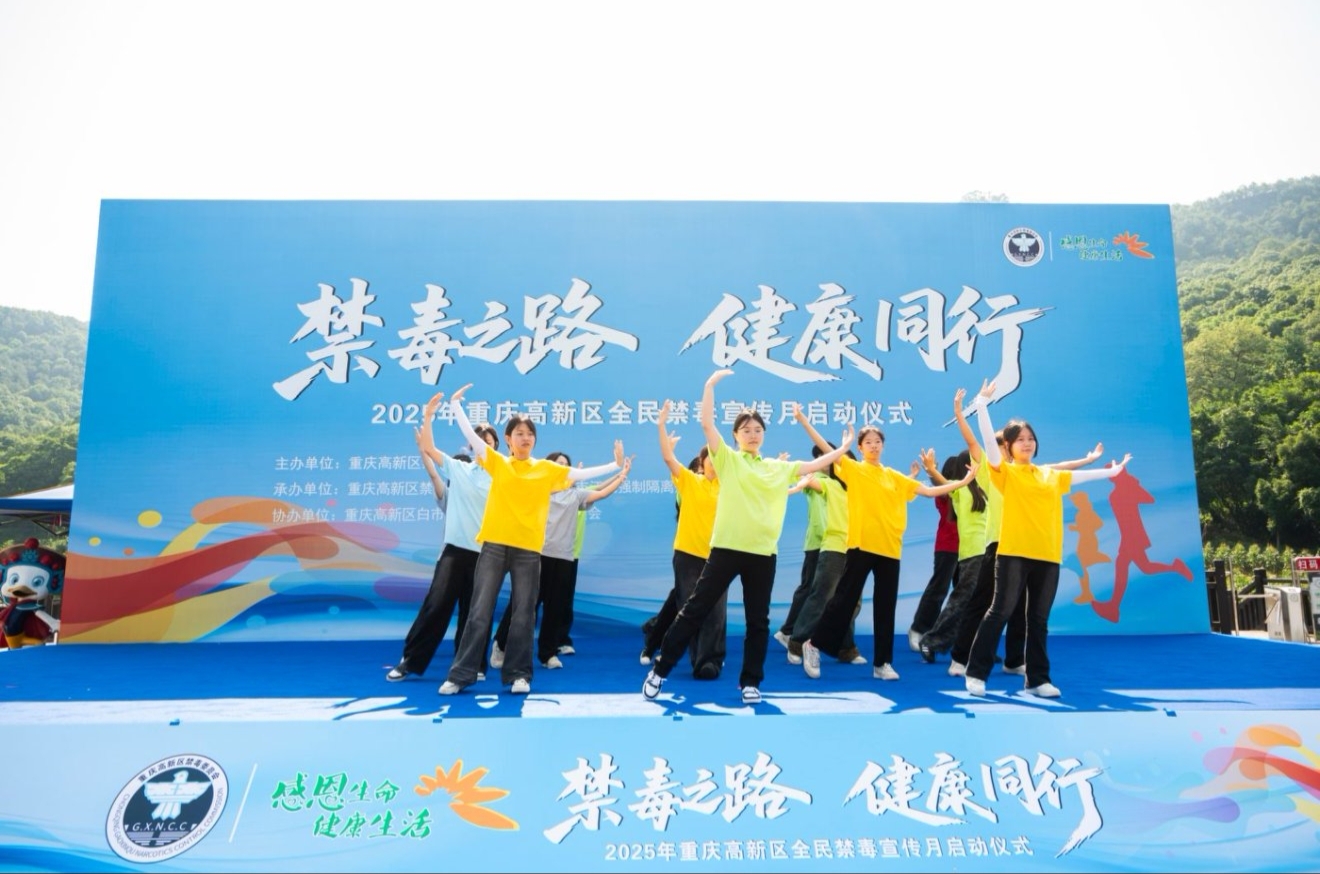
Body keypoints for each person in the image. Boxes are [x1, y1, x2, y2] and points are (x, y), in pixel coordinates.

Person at [642, 369, 854, 706]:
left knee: (758, 621)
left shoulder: (776, 467)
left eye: (757, 430)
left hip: (762, 554)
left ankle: (751, 682)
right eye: (746, 430)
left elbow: (812, 466)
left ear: (764, 435)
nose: (752, 434)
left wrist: (842, 448)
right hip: (726, 549)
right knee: (694, 610)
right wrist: (709, 386)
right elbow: (707, 424)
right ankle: (660, 670)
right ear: (736, 435)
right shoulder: (728, 460)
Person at [437, 384, 624, 696]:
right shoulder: (498, 462)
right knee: (479, 612)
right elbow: (472, 437)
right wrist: (456, 405)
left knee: (524, 614)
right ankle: (461, 674)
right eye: (519, 433)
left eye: (530, 434)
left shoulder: (546, 469)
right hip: (494, 547)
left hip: (528, 551)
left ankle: (519, 675)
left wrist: (615, 465)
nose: (525, 438)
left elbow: (580, 476)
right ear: (508, 439)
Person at [962, 380, 1130, 698]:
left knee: (1038, 620)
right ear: (1009, 446)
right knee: (999, 611)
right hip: (1013, 553)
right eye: (1019, 440)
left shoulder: (1050, 475)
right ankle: (976, 673)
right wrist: (982, 406)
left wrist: (1112, 472)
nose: (1027, 444)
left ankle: (1037, 679)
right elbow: (988, 445)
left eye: (1030, 439)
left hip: (1047, 555)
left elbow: (1080, 476)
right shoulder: (1005, 473)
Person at [799, 408, 976, 682]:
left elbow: (928, 491)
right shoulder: (854, 469)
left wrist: (963, 482)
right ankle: (813, 645)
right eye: (868, 442)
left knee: (886, 607)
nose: (874, 446)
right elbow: (825, 448)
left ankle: (882, 663)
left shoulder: (894, 476)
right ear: (860, 448)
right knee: (844, 602)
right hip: (861, 546)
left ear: (883, 445)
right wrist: (804, 420)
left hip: (889, 549)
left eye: (878, 441)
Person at [944, 388, 1103, 679]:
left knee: (1020, 607)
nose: (1015, 446)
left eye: (1021, 441)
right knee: (984, 603)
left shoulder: (1028, 472)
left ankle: (1014, 660)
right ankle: (960, 657)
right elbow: (973, 441)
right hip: (998, 543)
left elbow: (1059, 468)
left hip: (1025, 544)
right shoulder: (992, 470)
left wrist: (1088, 460)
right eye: (1009, 442)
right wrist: (961, 412)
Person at [385, 393, 499, 683]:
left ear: (497, 447)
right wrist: (428, 416)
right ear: (471, 446)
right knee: (436, 607)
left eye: (489, 441)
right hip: (455, 552)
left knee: (477, 613)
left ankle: (474, 664)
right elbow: (429, 449)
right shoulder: (460, 469)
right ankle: (411, 661)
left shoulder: (504, 477)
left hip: (487, 554)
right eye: (478, 440)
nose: (484, 445)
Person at [490, 451, 630, 670]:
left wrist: (621, 477)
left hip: (564, 556)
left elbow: (601, 493)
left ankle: (547, 654)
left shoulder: (575, 495)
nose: (564, 468)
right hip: (537, 555)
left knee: (555, 607)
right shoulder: (539, 490)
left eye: (567, 465)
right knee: (524, 603)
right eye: (559, 465)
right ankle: (501, 644)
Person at [642, 399, 725, 678]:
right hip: (688, 555)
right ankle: (694, 657)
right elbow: (669, 459)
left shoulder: (730, 486)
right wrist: (661, 425)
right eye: (710, 457)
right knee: (690, 609)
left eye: (719, 457)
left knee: (716, 610)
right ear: (702, 463)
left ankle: (710, 661)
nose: (715, 462)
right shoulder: (690, 481)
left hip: (720, 555)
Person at [782, 441, 866, 667]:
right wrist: (797, 474)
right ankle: (797, 643)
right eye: (840, 464)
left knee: (852, 602)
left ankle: (845, 649)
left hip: (857, 550)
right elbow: (809, 480)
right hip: (833, 548)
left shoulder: (860, 490)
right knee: (821, 597)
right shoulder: (829, 484)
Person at [915, 448, 988, 663]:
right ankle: (931, 641)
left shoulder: (986, 489)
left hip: (988, 552)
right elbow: (942, 484)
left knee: (981, 602)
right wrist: (931, 469)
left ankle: (975, 646)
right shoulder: (959, 490)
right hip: (970, 553)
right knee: (961, 599)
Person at [907, 483, 959, 653]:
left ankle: (965, 638)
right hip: (948, 546)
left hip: (970, 549)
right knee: (939, 589)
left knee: (966, 597)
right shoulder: (947, 491)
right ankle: (919, 629)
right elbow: (938, 484)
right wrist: (931, 471)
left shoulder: (973, 488)